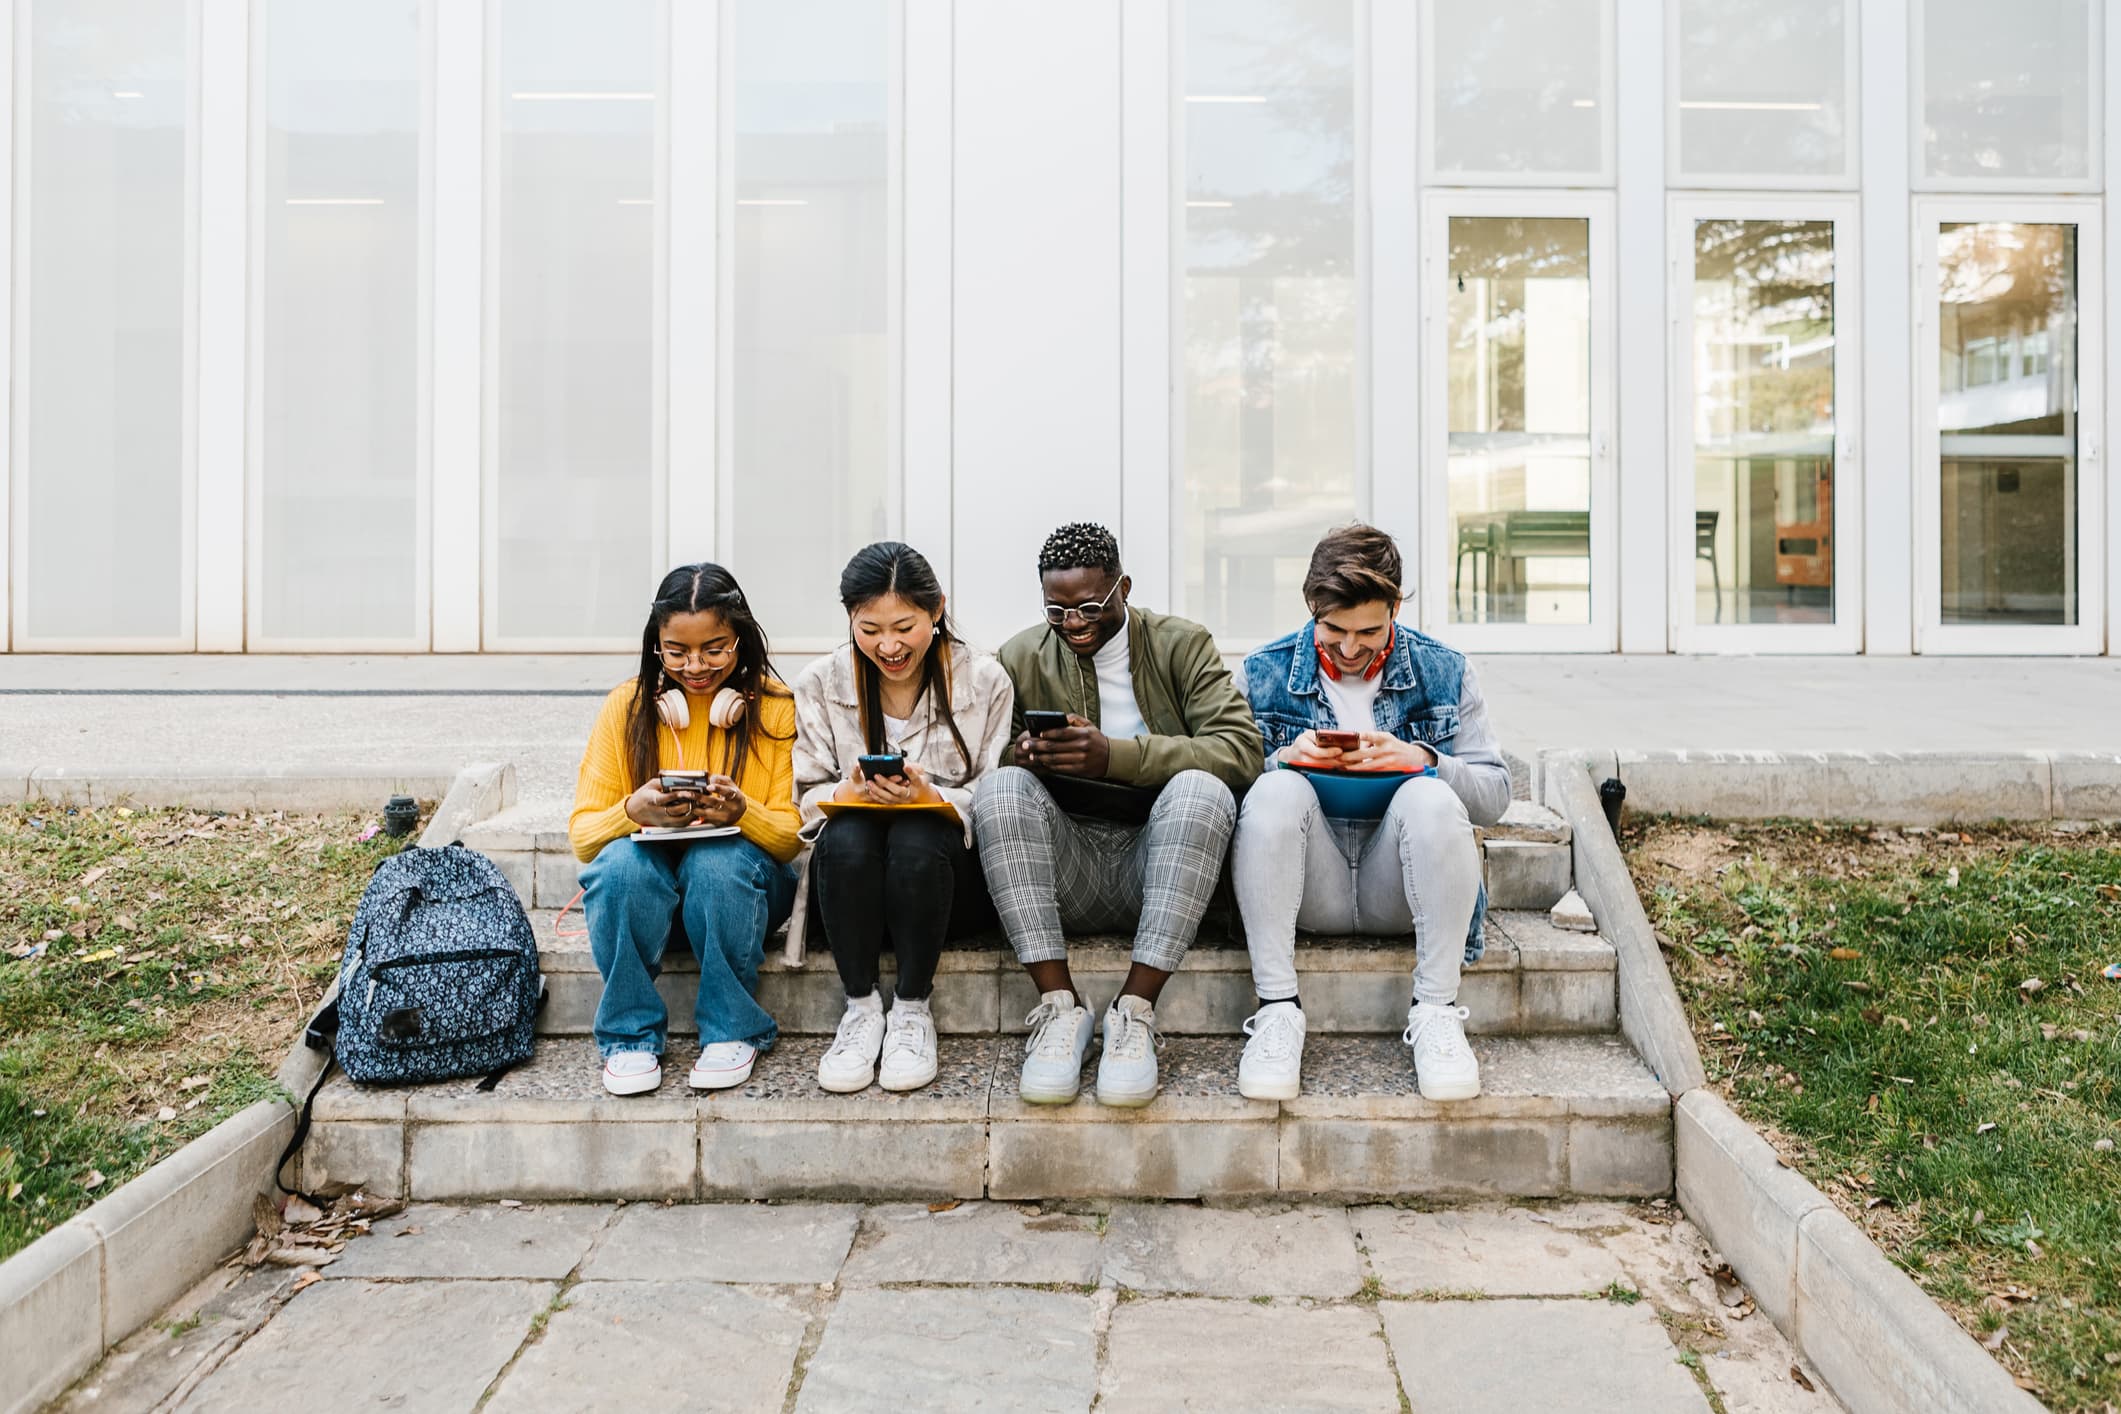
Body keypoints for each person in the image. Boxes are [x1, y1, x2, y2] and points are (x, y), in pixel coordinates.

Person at [974, 522, 1260, 1107]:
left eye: (1088, 606)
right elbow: (984, 756)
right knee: (1000, 788)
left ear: (1123, 588)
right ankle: (1060, 1009)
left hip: (1162, 867)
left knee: (1203, 793)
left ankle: (1134, 1012)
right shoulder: (1021, 655)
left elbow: (1241, 750)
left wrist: (1115, 756)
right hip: (1065, 869)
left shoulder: (1181, 643)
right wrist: (1026, 756)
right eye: (1056, 610)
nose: (1073, 623)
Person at [1230, 524, 1510, 1102]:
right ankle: (1277, 1009)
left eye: (1369, 631)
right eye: (1334, 630)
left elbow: (1494, 796)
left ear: (1396, 609)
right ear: (1312, 607)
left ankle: (1435, 1011)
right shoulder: (1262, 672)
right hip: (1309, 885)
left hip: (1401, 888)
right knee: (1275, 791)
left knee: (1429, 797)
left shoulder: (1446, 670)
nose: (1351, 649)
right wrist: (1281, 759)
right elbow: (1224, 794)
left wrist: (1425, 760)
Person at [568, 564, 802, 1097]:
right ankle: (629, 1037)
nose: (695, 666)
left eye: (714, 649)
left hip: (743, 896)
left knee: (715, 861)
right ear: (657, 647)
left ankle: (732, 1029)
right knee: (620, 866)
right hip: (652, 901)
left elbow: (792, 838)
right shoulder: (626, 708)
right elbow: (583, 837)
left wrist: (743, 814)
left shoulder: (774, 707)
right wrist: (633, 811)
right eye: (677, 652)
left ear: (740, 638)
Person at [791, 542, 1014, 1093]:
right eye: (869, 629)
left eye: (904, 626)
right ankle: (862, 1009)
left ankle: (912, 1008)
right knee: (847, 831)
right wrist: (850, 792)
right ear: (850, 619)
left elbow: (1000, 790)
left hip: (943, 886)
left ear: (937, 609)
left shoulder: (986, 681)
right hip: (849, 886)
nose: (888, 646)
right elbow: (805, 797)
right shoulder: (820, 683)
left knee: (917, 830)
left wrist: (932, 798)